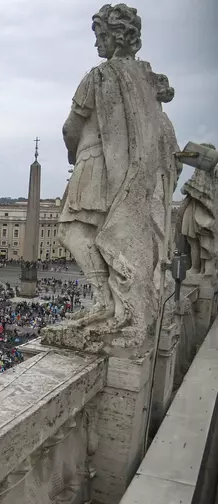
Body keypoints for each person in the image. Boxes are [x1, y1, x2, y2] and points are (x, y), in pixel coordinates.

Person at [53, 3, 179, 347]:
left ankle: (104, 301)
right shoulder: (145, 84)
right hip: (127, 171)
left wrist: (73, 153)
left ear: (115, 36)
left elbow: (70, 128)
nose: (97, 45)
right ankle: (113, 302)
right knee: (100, 231)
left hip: (95, 164)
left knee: (71, 230)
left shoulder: (100, 76)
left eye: (100, 36)